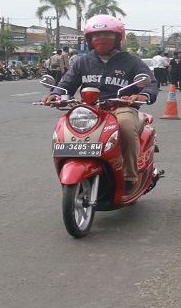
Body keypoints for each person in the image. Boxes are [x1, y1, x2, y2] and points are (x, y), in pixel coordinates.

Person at [40, 15, 158, 196]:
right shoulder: (83, 61)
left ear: (118, 39)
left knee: (125, 128)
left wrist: (142, 95)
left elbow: (150, 83)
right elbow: (67, 83)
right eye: (96, 36)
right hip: (89, 110)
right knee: (64, 130)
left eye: (107, 35)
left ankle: (129, 177)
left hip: (120, 107)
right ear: (89, 40)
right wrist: (55, 95)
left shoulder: (131, 61)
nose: (101, 40)